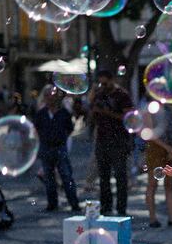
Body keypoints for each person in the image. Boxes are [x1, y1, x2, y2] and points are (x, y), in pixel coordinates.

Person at [90, 70, 133, 216]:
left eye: (105, 83)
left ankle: (121, 208)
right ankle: (106, 206)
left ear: (112, 80)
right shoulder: (99, 94)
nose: (103, 86)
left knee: (120, 177)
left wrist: (108, 113)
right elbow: (92, 116)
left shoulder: (122, 95)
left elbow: (129, 118)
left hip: (119, 141)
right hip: (102, 140)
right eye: (101, 83)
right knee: (103, 177)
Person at [33, 85, 81, 213]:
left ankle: (74, 204)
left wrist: (61, 138)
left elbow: (70, 129)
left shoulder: (64, 112)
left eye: (52, 95)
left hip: (60, 148)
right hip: (46, 148)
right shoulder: (41, 114)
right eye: (47, 95)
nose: (50, 98)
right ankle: (52, 204)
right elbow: (36, 130)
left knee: (67, 176)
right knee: (49, 178)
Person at [145, 103, 172, 228]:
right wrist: (169, 149)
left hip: (170, 150)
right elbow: (150, 134)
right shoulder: (150, 109)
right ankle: (152, 219)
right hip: (155, 150)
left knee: (169, 185)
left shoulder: (170, 109)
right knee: (152, 184)